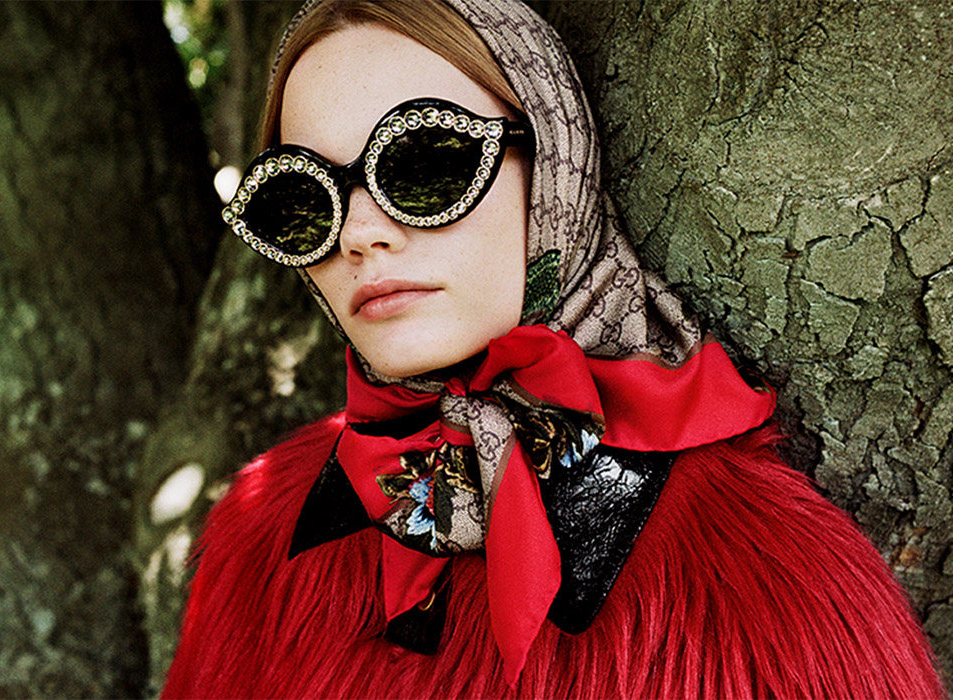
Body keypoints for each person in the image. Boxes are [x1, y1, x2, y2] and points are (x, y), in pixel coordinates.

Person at [163, 0, 947, 697]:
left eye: (426, 163)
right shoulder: (262, 540)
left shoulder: (767, 583)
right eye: (298, 200)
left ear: (557, 166)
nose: (359, 234)